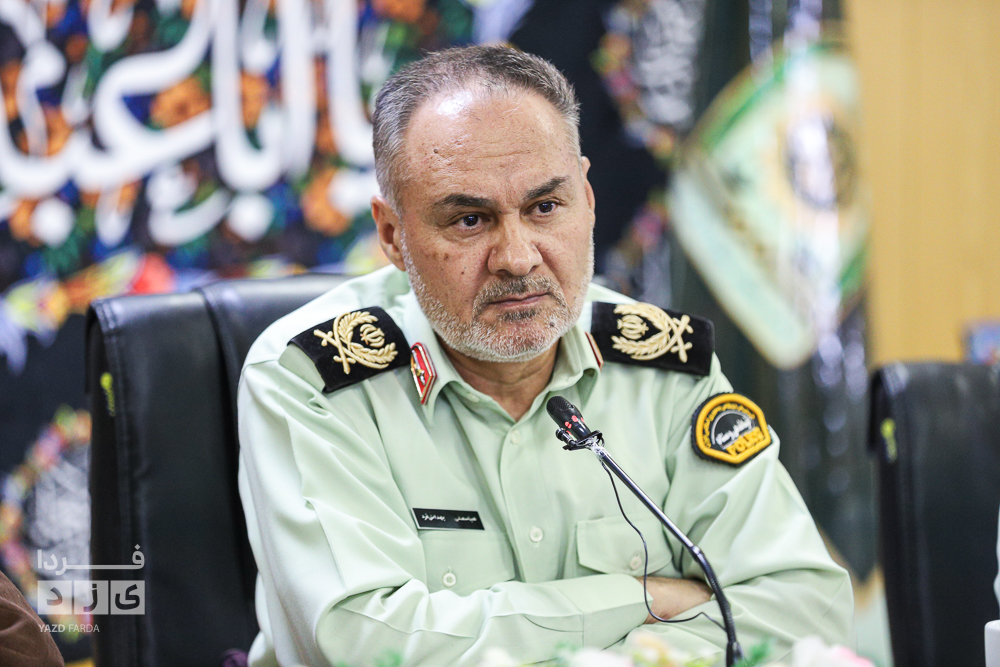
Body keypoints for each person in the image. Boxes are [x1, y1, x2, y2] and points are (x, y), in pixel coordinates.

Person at [237, 45, 853, 666]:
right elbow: (363, 645)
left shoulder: (663, 366)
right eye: (470, 220)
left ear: (587, 198)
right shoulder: (311, 378)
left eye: (544, 208)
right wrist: (639, 599)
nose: (518, 257)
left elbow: (805, 606)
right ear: (393, 235)